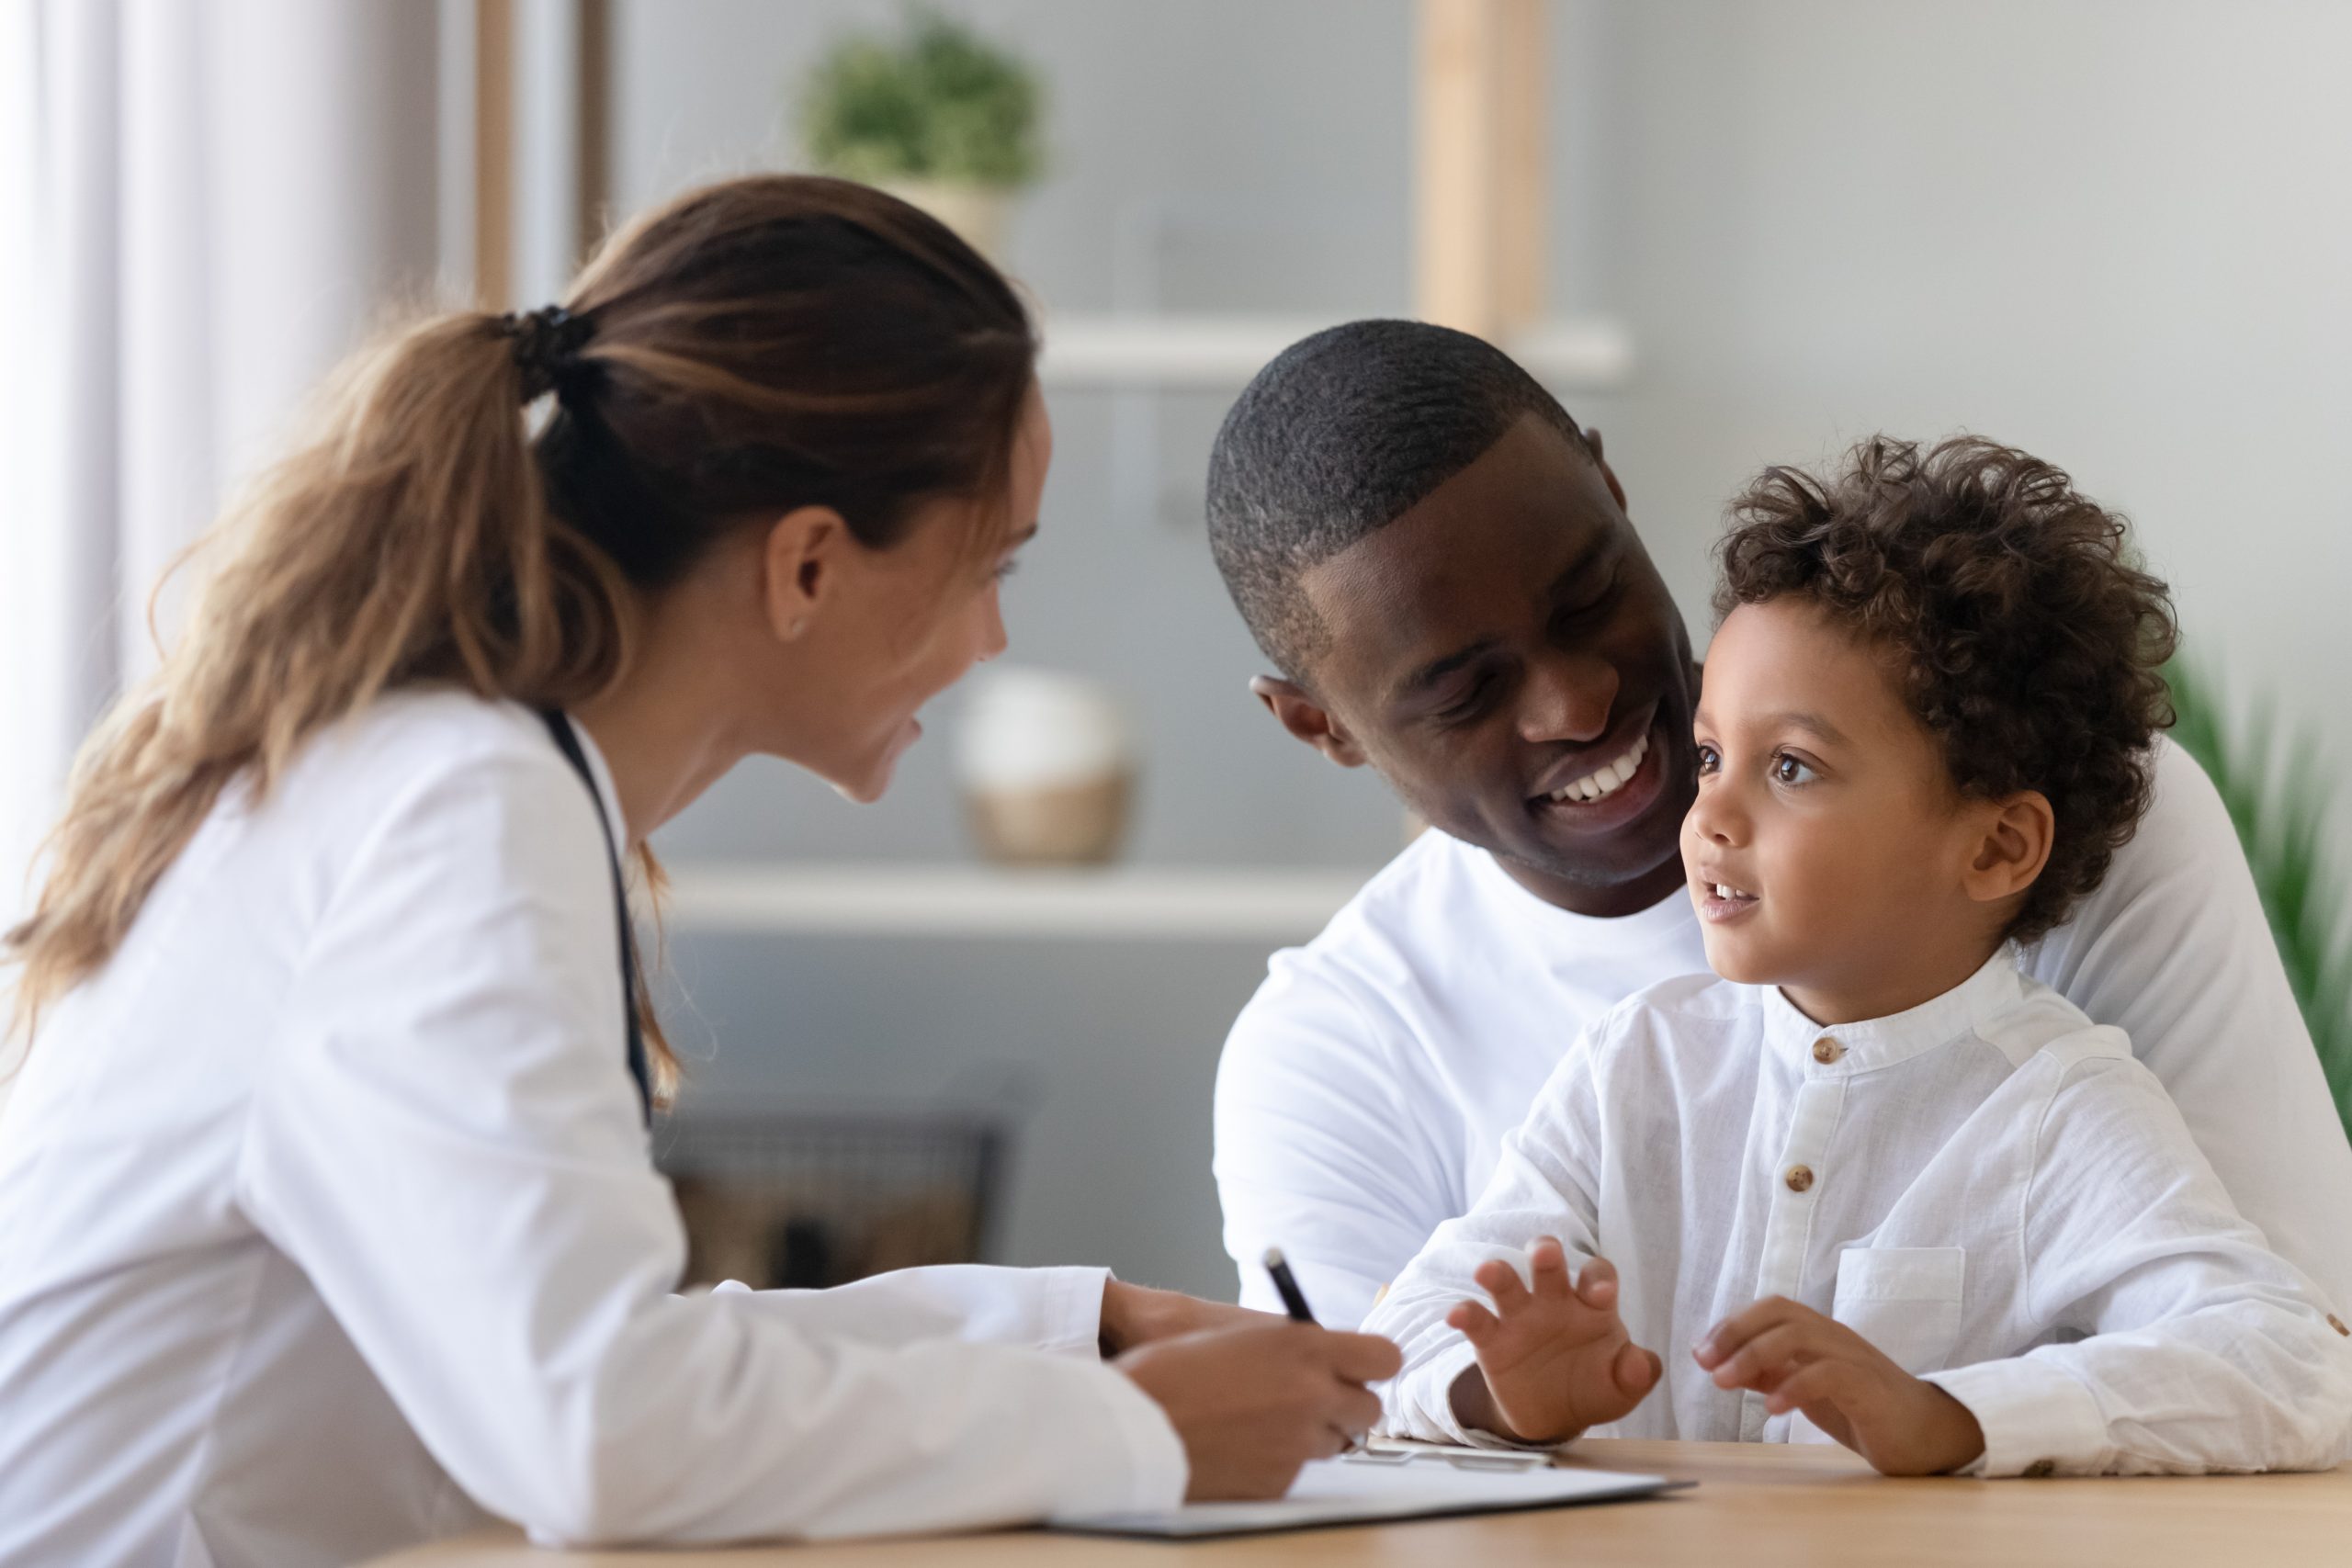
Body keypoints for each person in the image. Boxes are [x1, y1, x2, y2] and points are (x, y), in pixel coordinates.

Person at [0, 176, 1397, 1566]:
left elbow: (603, 1349)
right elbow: (600, 1428)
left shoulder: (441, 772)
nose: (990, 645)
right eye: (994, 568)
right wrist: (1135, 1435)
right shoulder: (456, 810)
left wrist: (1079, 1327)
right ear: (805, 566)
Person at [1205, 320, 2352, 1333]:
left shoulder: (2061, 797)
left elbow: (2301, 1352)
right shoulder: (1339, 1052)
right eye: (1465, 695)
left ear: (1613, 496)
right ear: (1322, 727)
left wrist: (1938, 1424)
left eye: (1588, 598)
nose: (1578, 703)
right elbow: (1371, 1459)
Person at [1360, 435, 2352, 1477]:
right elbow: (1399, 1343)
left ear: (1995, 845)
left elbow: (2294, 1367)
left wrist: (1949, 1417)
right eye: (1710, 756)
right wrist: (1498, 1392)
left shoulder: (2060, 1107)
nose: (1710, 817)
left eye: (1791, 766)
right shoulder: (1638, 1066)